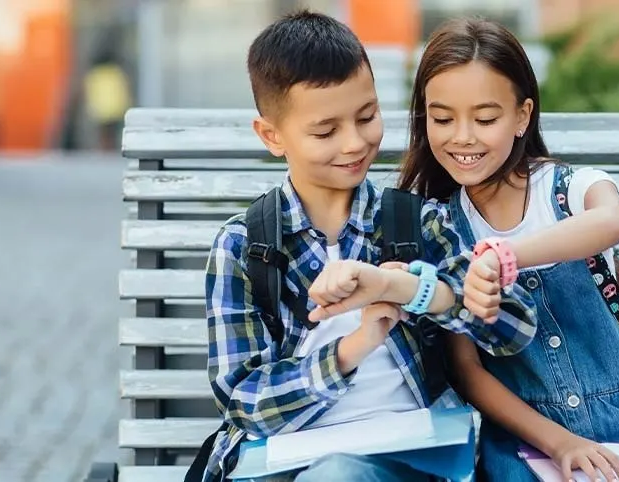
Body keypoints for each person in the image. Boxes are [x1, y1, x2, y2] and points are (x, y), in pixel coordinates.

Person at [203, 11, 538, 482]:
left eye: (368, 117)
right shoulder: (245, 247)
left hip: (413, 458)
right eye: (326, 131)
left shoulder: (414, 223)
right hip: (281, 464)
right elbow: (243, 400)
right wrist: (352, 349)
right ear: (272, 135)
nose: (356, 143)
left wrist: (409, 289)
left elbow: (514, 327)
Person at [396, 17, 619, 482]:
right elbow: (468, 371)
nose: (462, 136)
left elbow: (613, 219)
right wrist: (559, 442)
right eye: (442, 118)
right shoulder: (440, 228)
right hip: (527, 441)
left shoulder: (565, 189)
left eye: (485, 119)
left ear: (522, 116)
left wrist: (506, 257)